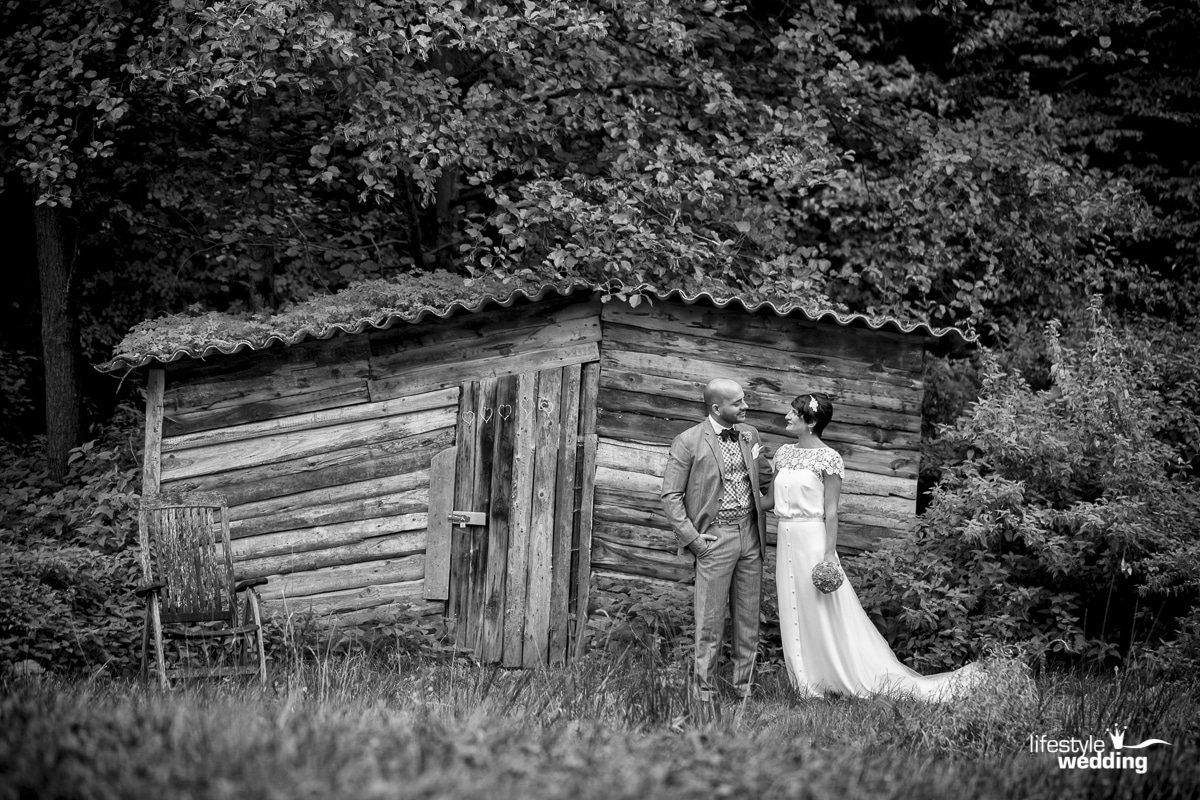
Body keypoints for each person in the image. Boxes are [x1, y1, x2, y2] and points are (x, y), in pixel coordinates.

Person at [774, 392, 979, 700]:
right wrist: (753, 467)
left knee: (823, 610)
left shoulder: (829, 459)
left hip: (813, 541)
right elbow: (768, 500)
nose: (787, 416)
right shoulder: (782, 454)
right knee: (794, 608)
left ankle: (839, 674)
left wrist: (829, 554)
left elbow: (831, 511)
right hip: (785, 538)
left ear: (812, 421)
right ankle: (805, 681)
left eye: (793, 412)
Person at [661, 378, 774, 703]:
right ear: (716, 408)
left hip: (751, 536)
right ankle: (704, 694)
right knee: (709, 623)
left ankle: (743, 689)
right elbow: (670, 496)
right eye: (738, 403)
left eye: (744, 401)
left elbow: (764, 477)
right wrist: (694, 540)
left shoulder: (749, 434)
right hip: (714, 539)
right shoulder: (688, 441)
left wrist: (794, 468)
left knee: (748, 619)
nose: (745, 407)